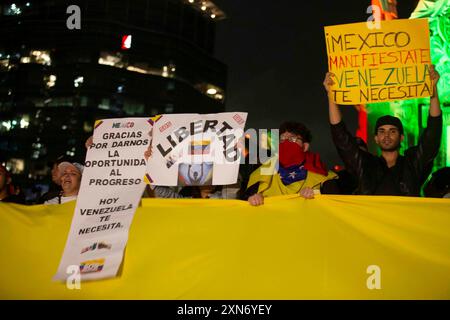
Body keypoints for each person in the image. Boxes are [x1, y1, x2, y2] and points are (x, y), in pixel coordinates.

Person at [323, 65, 442, 196]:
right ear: (376, 138)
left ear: (401, 137)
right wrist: (331, 96)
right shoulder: (365, 165)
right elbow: (341, 138)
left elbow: (432, 136)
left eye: (392, 131)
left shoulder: (413, 164)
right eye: (381, 131)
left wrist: (433, 91)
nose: (386, 135)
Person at [245, 121, 337, 205]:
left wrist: (316, 195)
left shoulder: (323, 177)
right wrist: (252, 199)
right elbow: (242, 202)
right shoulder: (260, 174)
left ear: (305, 146)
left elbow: (335, 203)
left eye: (293, 139)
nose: (286, 142)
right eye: (281, 139)